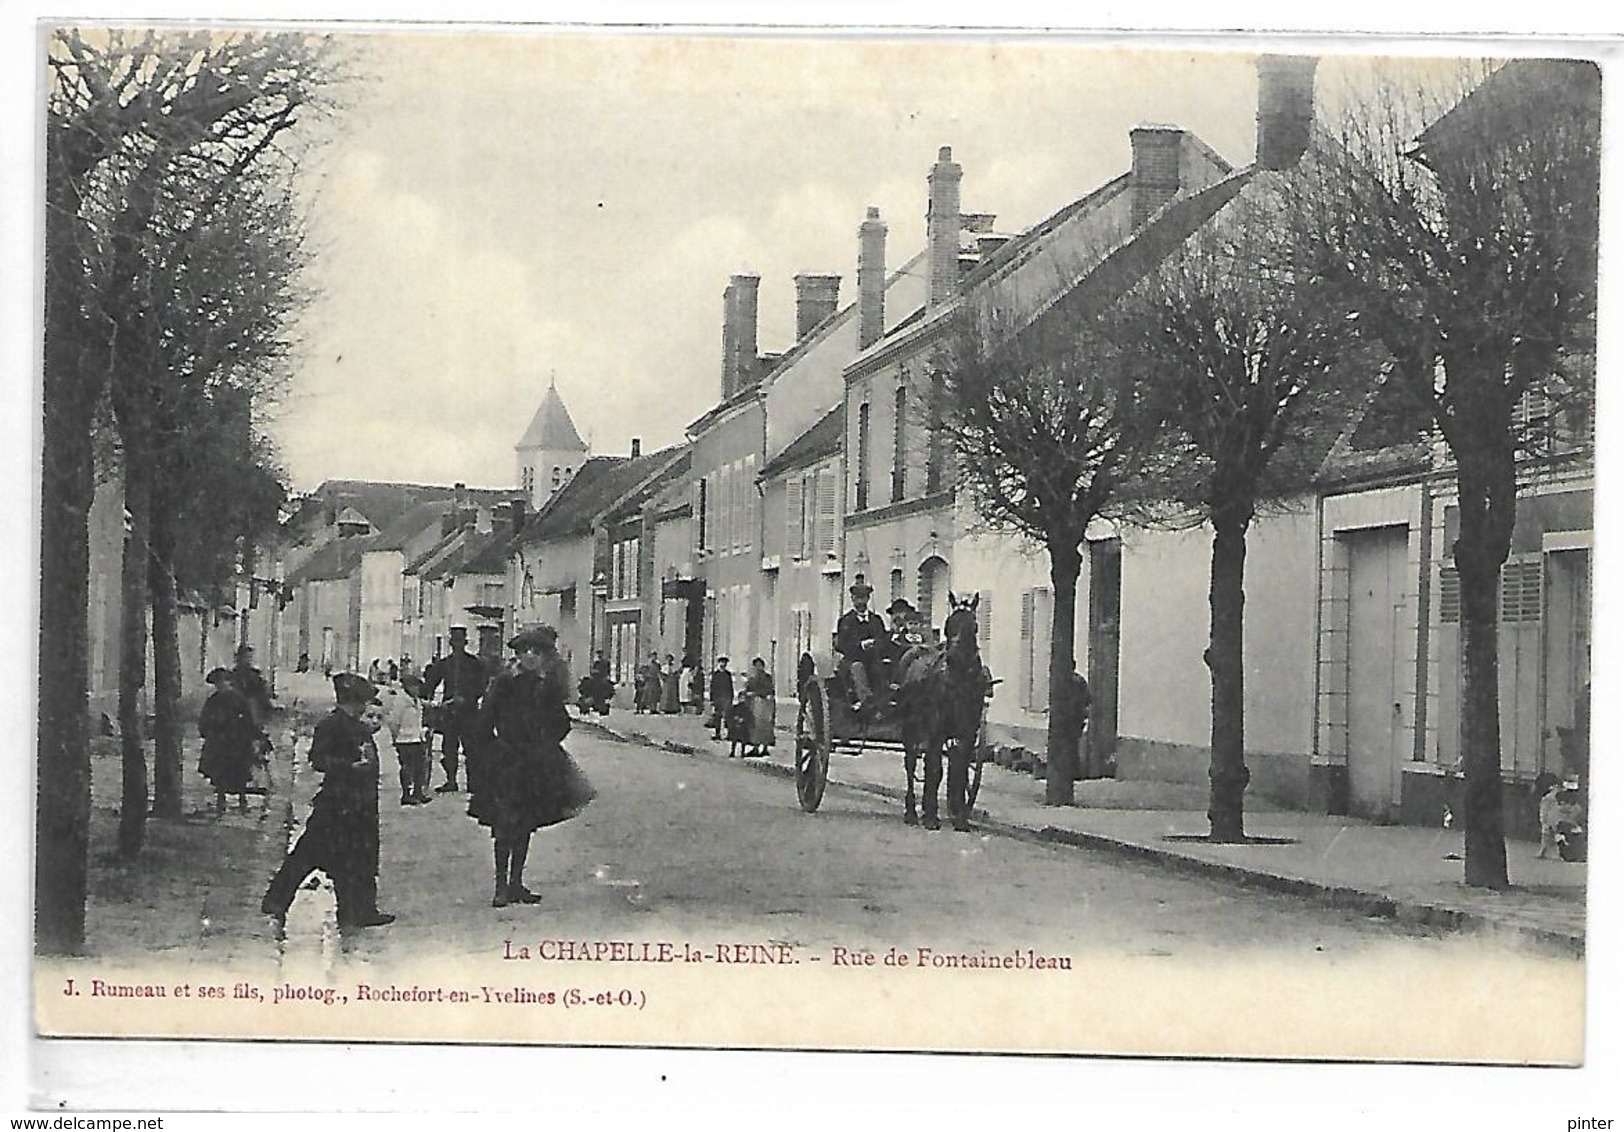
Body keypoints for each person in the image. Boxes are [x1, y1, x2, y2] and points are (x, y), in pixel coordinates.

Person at [469, 626, 594, 907]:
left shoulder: (546, 686)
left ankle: (516, 884)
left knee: (525, 823)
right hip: (507, 762)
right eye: (525, 651)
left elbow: (561, 721)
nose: (530, 657)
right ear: (517, 655)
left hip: (534, 764)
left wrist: (546, 743)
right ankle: (500, 886)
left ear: (544, 657)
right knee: (504, 825)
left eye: (536, 652)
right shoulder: (503, 684)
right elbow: (484, 722)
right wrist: (491, 754)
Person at [262, 674, 395, 928]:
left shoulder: (356, 725)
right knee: (310, 853)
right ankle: (276, 901)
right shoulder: (332, 725)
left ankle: (357, 912)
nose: (364, 706)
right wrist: (350, 767)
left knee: (358, 858)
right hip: (337, 803)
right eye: (361, 701)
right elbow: (318, 759)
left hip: (359, 803)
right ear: (352, 700)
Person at [422, 625, 489, 793]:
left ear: (464, 643)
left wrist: (469, 698)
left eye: (460, 641)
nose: (457, 645)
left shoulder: (475, 664)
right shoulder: (445, 664)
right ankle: (451, 780)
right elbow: (430, 685)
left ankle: (473, 782)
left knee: (472, 748)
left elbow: (482, 686)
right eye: (454, 642)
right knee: (449, 748)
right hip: (449, 713)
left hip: (469, 712)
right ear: (451, 643)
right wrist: (425, 701)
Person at [198, 668, 259, 814]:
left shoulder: (238, 699)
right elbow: (204, 719)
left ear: (229, 682)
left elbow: (249, 720)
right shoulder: (213, 700)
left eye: (222, 682)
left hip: (237, 740)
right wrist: (207, 731)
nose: (220, 686)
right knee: (219, 772)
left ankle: (242, 800)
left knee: (240, 770)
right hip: (219, 741)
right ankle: (221, 800)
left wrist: (251, 736)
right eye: (217, 683)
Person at [834, 576, 887, 711]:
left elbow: (884, 640)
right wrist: (861, 645)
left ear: (868, 599)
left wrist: (876, 644)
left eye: (863, 598)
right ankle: (864, 700)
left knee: (883, 666)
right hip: (853, 660)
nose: (860, 602)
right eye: (857, 598)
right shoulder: (846, 621)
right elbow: (841, 645)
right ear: (852, 600)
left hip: (874, 659)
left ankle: (884, 699)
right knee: (858, 668)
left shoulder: (876, 620)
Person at [382, 673, 433, 806]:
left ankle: (418, 792)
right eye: (414, 686)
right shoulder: (400, 701)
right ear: (407, 687)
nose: (417, 689)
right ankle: (406, 794)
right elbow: (394, 721)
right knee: (407, 767)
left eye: (417, 687)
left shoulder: (416, 701)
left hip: (417, 738)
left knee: (420, 767)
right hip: (404, 739)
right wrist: (395, 738)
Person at [743, 657, 775, 757]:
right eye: (756, 666)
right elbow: (747, 689)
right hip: (754, 704)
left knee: (765, 726)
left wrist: (756, 693)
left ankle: (765, 748)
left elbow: (769, 690)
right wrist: (746, 694)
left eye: (759, 666)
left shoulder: (767, 677)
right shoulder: (752, 678)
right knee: (754, 726)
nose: (758, 668)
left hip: (764, 703)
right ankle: (756, 747)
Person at [708, 657, 734, 740]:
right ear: (719, 663)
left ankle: (729, 734)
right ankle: (717, 733)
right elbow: (712, 687)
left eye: (725, 663)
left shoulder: (727, 674)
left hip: (726, 698)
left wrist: (731, 698)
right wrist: (712, 699)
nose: (723, 664)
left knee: (728, 717)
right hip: (718, 698)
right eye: (722, 663)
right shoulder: (716, 674)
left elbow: (730, 687)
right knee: (717, 717)